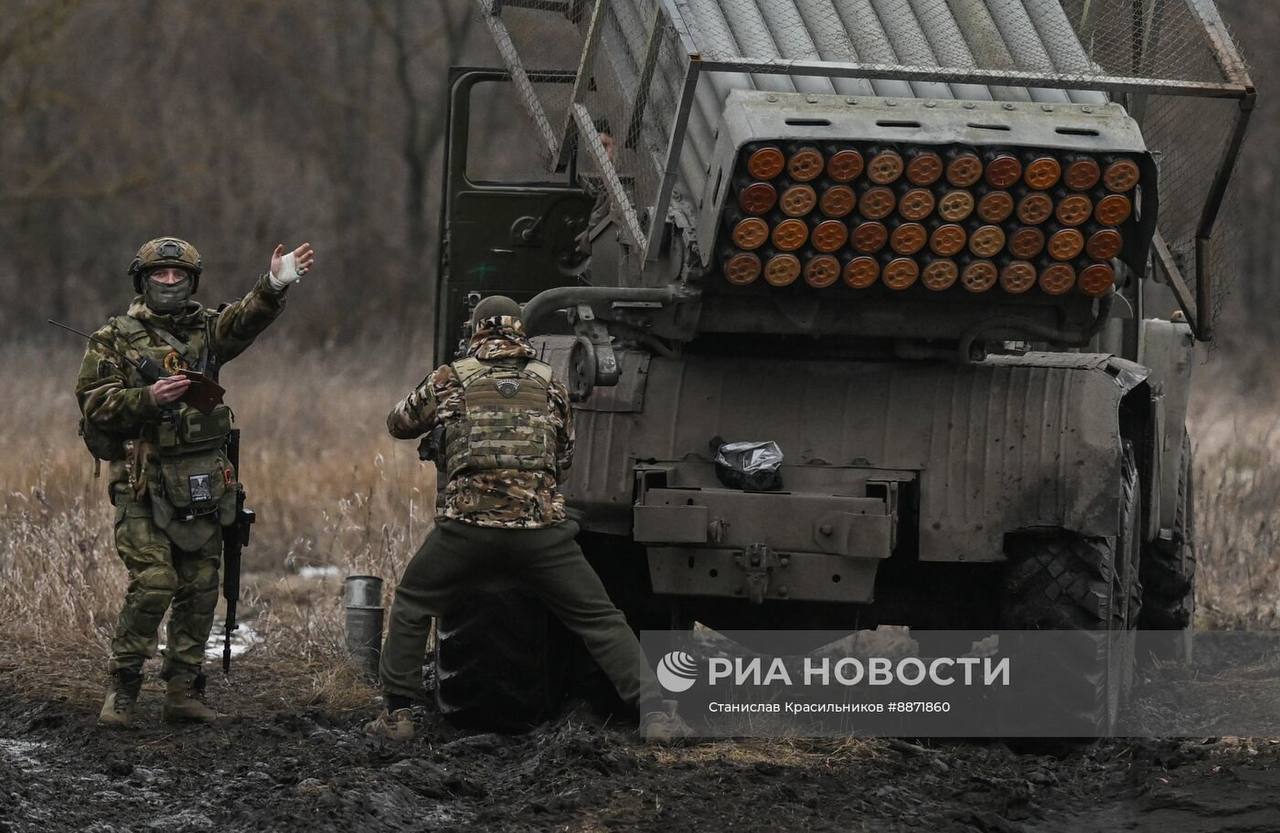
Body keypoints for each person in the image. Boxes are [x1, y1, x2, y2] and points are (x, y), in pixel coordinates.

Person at [365, 295, 691, 743]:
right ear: (520, 331)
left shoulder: (451, 378)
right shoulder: (549, 382)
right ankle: (658, 715)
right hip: (542, 533)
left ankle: (398, 716)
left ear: (477, 331)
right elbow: (564, 458)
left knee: (413, 602)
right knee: (600, 619)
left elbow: (398, 424)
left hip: (466, 529)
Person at [78, 236, 315, 727]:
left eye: (178, 276)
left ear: (191, 282)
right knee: (155, 582)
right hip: (143, 484)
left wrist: (275, 281)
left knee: (202, 585)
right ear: (143, 281)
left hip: (204, 483)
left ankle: (182, 691)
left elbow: (247, 319)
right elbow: (94, 405)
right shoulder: (114, 337)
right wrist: (150, 398)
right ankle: (121, 692)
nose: (169, 282)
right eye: (160, 275)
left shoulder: (207, 330)